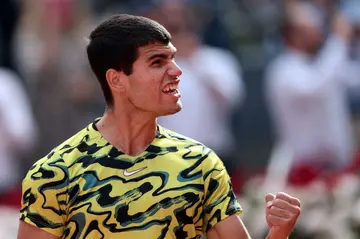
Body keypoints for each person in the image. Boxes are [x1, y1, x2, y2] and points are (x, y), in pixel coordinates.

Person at [17, 14, 300, 239]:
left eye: (173, 58)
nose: (177, 71)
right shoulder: (54, 174)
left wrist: (278, 233)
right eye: (157, 61)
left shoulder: (201, 164)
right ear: (117, 80)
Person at [264, 2, 359, 188]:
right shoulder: (283, 69)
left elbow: (354, 80)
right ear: (292, 34)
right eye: (309, 29)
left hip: (337, 165)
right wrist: (339, 40)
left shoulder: (324, 62)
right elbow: (315, 87)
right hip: (305, 171)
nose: (317, 33)